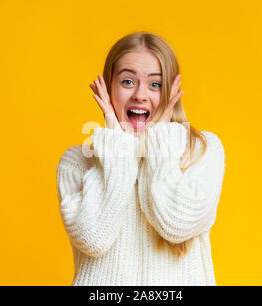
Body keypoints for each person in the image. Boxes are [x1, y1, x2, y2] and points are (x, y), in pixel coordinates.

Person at [56, 31, 226, 285]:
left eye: (155, 84)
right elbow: (93, 239)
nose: (140, 95)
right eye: (127, 81)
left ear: (171, 91)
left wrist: (158, 147)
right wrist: (117, 149)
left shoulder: (202, 150)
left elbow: (175, 225)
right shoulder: (77, 163)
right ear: (107, 87)